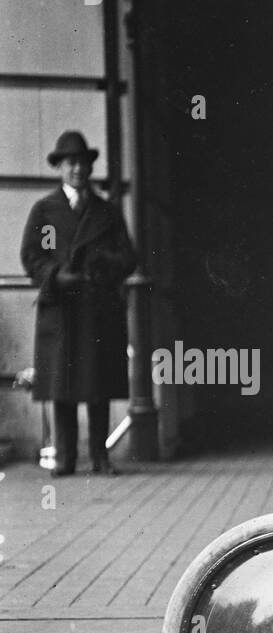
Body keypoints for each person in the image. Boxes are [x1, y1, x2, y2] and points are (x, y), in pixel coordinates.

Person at [19, 130, 137, 476]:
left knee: (97, 384)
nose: (77, 170)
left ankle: (100, 457)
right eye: (70, 163)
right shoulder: (44, 210)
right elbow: (31, 256)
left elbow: (128, 257)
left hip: (98, 308)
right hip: (61, 309)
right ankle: (67, 458)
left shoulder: (107, 211)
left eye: (83, 163)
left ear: (89, 167)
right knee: (62, 386)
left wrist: (105, 265)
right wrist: (55, 275)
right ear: (60, 167)